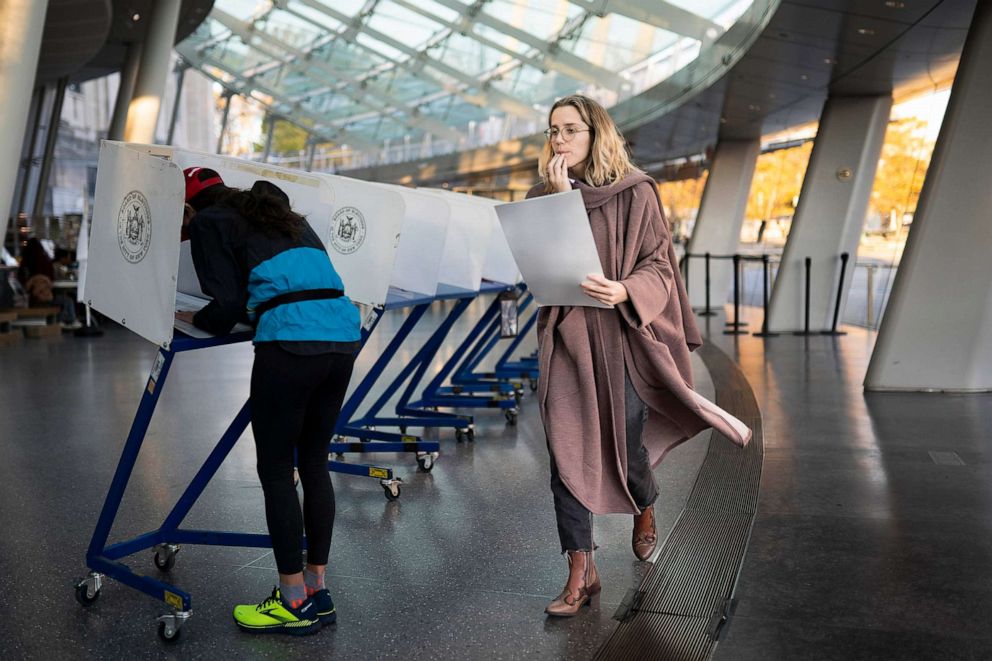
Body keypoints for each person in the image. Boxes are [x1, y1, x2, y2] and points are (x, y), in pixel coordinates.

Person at [528, 95, 752, 617]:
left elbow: (659, 264)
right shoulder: (543, 196)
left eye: (570, 130)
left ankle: (644, 501)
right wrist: (559, 205)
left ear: (595, 134)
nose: (558, 140)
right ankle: (580, 571)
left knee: (628, 447)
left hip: (624, 338)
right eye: (552, 131)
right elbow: (541, 263)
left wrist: (627, 290)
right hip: (568, 338)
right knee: (565, 453)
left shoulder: (637, 192)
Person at [177, 167, 362, 635]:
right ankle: (317, 591)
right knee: (315, 462)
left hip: (291, 343)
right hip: (341, 336)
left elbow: (229, 305)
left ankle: (291, 600)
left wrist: (195, 314)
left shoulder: (207, 222)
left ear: (188, 205)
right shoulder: (284, 215)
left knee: (277, 470)